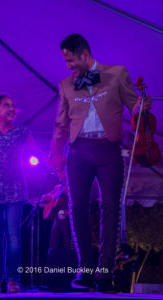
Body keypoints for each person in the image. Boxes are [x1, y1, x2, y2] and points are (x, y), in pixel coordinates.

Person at [49, 34, 151, 292]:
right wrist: (55, 153)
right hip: (78, 152)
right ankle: (85, 270)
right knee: (78, 208)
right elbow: (61, 124)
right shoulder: (65, 85)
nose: (68, 66)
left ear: (84, 54)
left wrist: (142, 105)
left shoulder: (117, 74)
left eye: (70, 61)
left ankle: (105, 274)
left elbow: (133, 105)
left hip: (108, 149)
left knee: (111, 208)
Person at [0, 95, 40, 293]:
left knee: (14, 235)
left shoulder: (22, 132)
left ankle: (13, 279)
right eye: (6, 106)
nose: (12, 108)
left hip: (15, 187)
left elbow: (35, 153)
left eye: (13, 105)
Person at [41, 171, 70, 251]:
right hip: (60, 215)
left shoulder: (72, 186)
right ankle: (57, 250)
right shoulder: (58, 187)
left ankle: (56, 249)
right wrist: (46, 197)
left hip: (70, 213)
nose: (59, 174)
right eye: (59, 173)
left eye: (61, 172)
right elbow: (50, 195)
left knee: (59, 214)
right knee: (59, 215)